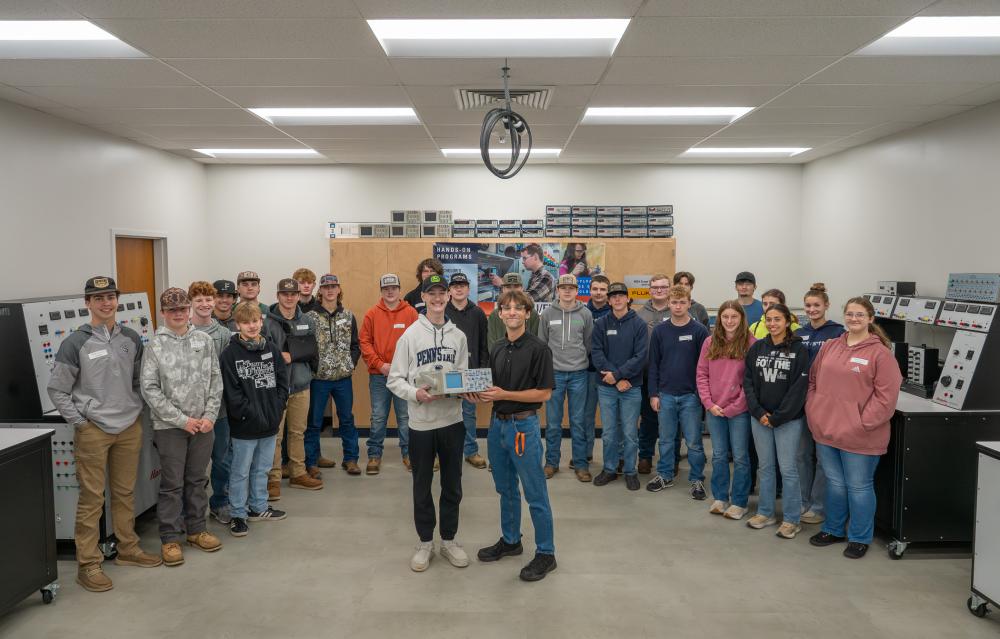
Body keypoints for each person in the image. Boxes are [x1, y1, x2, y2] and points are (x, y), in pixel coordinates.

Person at [47, 276, 163, 592]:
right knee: (91, 498)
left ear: (117, 300)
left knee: (125, 493)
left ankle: (128, 548)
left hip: (128, 427)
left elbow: (140, 381)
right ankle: (88, 563)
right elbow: (57, 389)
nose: (106, 303)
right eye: (98, 298)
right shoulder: (75, 343)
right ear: (88, 303)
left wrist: (138, 411)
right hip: (93, 430)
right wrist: (80, 422)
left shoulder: (130, 338)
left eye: (110, 296)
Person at [471, 289, 557, 582]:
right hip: (497, 426)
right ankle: (511, 540)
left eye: (518, 308)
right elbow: (492, 388)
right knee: (505, 488)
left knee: (535, 493)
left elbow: (544, 393)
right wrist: (476, 395)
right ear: (499, 314)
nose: (511, 312)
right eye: (506, 308)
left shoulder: (539, 349)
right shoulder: (496, 347)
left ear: (528, 314)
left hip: (524, 428)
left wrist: (505, 394)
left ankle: (546, 553)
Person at [806, 297, 901, 559]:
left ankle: (859, 537)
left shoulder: (879, 353)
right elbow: (813, 382)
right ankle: (834, 529)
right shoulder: (830, 347)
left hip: (861, 436)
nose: (854, 319)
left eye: (860, 315)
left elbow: (886, 398)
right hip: (826, 431)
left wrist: (861, 424)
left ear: (870, 319)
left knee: (858, 486)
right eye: (850, 314)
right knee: (835, 484)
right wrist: (815, 413)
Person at [387, 274, 470, 572]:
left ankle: (449, 540)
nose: (436, 298)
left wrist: (466, 390)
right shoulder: (410, 336)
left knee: (453, 485)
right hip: (421, 424)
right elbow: (394, 379)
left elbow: (462, 375)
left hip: (452, 421)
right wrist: (415, 393)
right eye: (430, 293)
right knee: (421, 486)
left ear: (448, 296)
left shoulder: (458, 336)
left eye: (441, 293)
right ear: (423, 297)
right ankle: (425, 542)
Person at [140, 288, 224, 566]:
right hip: (170, 427)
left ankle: (197, 530)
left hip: (203, 424)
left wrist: (209, 415)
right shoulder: (154, 345)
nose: (178, 314)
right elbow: (149, 389)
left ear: (188, 311)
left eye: (182, 309)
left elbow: (215, 379)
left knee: (197, 480)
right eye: (172, 310)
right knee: (172, 484)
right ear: (163, 313)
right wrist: (182, 420)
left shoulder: (203, 340)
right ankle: (171, 537)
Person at [220, 302, 289, 537]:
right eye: (246, 322)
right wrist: (247, 413)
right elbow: (232, 392)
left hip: (270, 422)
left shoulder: (270, 348)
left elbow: (282, 381)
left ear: (262, 322)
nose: (251, 326)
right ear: (237, 324)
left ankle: (258, 507)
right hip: (244, 425)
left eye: (255, 321)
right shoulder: (230, 354)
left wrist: (277, 408)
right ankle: (238, 513)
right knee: (240, 471)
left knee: (262, 468)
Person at [743, 303, 810, 539]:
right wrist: (759, 412)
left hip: (788, 420)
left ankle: (792, 519)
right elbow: (748, 381)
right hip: (760, 418)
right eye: (768, 319)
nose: (772, 324)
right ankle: (766, 512)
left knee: (788, 469)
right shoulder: (757, 348)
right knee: (766, 467)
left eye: (777, 319)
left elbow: (799, 389)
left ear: (787, 322)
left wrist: (779, 417)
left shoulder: (800, 350)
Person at [646, 285, 710, 498]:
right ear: (669, 304)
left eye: (682, 302)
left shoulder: (699, 331)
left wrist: (701, 394)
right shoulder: (660, 331)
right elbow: (653, 364)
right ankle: (664, 474)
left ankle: (696, 479)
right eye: (674, 302)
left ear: (689, 303)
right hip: (665, 394)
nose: (678, 306)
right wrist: (653, 394)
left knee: (693, 441)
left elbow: (706, 366)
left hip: (690, 395)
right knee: (665, 439)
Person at [697, 300, 755, 520]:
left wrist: (734, 407)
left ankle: (739, 502)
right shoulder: (710, 342)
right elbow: (701, 374)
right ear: (719, 319)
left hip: (739, 411)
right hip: (714, 410)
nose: (729, 321)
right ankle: (720, 497)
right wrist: (709, 403)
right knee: (719, 456)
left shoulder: (751, 344)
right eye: (725, 317)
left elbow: (750, 382)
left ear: (741, 319)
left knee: (740, 457)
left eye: (734, 317)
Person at [795, 283, 845, 526]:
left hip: (825, 403)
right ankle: (803, 502)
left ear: (826, 306)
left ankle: (818, 506)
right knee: (802, 455)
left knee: (823, 458)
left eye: (816, 305)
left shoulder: (837, 333)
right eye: (808, 305)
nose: (812, 309)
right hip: (800, 403)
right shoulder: (798, 333)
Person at [591, 282, 648, 490]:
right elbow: (596, 353)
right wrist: (614, 377)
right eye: (613, 295)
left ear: (627, 298)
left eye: (621, 295)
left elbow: (641, 356)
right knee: (609, 432)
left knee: (630, 432)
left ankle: (630, 471)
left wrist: (619, 375)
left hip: (631, 387)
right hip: (606, 387)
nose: (617, 299)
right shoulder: (601, 324)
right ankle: (609, 468)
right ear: (608, 300)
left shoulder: (639, 324)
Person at [267, 278, 321, 496]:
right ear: (278, 295)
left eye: (293, 294)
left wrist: (294, 355)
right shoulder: (267, 323)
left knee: (298, 432)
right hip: (275, 388)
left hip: (301, 384)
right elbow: (263, 353)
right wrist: (283, 356)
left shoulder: (307, 320)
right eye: (284, 294)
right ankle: (274, 478)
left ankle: (298, 473)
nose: (289, 298)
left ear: (299, 296)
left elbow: (313, 350)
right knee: (276, 435)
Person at [360, 273, 419, 473]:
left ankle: (409, 453)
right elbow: (365, 342)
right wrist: (379, 364)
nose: (390, 291)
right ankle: (374, 455)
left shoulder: (411, 313)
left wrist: (406, 368)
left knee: (405, 416)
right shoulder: (371, 314)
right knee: (378, 416)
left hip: (405, 377)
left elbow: (417, 342)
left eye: (394, 288)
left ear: (399, 290)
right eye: (386, 289)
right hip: (379, 375)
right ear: (381, 291)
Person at [538, 274, 594, 481]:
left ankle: (581, 464)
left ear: (577, 291)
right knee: (553, 422)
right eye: (563, 287)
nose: (567, 291)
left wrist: (577, 360)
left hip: (579, 374)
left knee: (578, 421)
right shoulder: (547, 314)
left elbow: (588, 344)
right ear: (558, 290)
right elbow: (542, 344)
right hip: (554, 375)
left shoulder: (586, 314)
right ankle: (551, 463)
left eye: (571, 288)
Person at [306, 274, 361, 476]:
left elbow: (356, 345)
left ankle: (351, 459)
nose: (330, 290)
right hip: (319, 379)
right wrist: (316, 366)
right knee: (314, 421)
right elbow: (307, 346)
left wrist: (350, 364)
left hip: (343, 379)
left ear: (339, 290)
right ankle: (311, 462)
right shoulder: (310, 317)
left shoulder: (348, 316)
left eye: (333, 286)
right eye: (326, 287)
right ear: (320, 291)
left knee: (347, 419)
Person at [188, 281, 235, 524]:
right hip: (191, 412)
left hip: (220, 411)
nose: (205, 305)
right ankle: (192, 510)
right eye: (199, 301)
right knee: (194, 464)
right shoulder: (182, 333)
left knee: (222, 459)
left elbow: (228, 372)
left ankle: (220, 502)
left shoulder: (224, 335)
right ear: (191, 304)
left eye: (209, 300)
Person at [444, 272, 489, 469]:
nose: (459, 288)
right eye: (455, 285)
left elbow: (483, 345)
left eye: (462, 285)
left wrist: (482, 373)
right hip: (449, 372)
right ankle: (443, 453)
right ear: (450, 290)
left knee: (468, 413)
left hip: (471, 372)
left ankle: (471, 451)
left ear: (468, 289)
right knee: (444, 413)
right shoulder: (442, 311)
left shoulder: (478, 312)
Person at [636, 273, 672, 475]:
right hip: (646, 376)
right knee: (648, 419)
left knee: (671, 421)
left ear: (669, 289)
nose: (659, 290)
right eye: (655, 287)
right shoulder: (640, 315)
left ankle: (671, 459)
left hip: (671, 377)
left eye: (663, 287)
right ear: (649, 290)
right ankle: (645, 457)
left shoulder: (678, 311)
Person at [582, 274, 612, 466]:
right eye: (595, 289)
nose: (598, 293)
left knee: (611, 419)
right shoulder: (582, 312)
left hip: (611, 374)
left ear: (607, 292)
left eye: (602, 289)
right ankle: (585, 454)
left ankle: (614, 458)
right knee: (587, 415)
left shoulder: (615, 313)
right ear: (590, 290)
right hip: (588, 371)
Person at [486, 272, 539, 352]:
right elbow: (492, 345)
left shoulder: (532, 313)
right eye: (508, 287)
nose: (512, 290)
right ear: (503, 289)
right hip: (501, 361)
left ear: (522, 289)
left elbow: (536, 343)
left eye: (516, 286)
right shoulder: (494, 315)